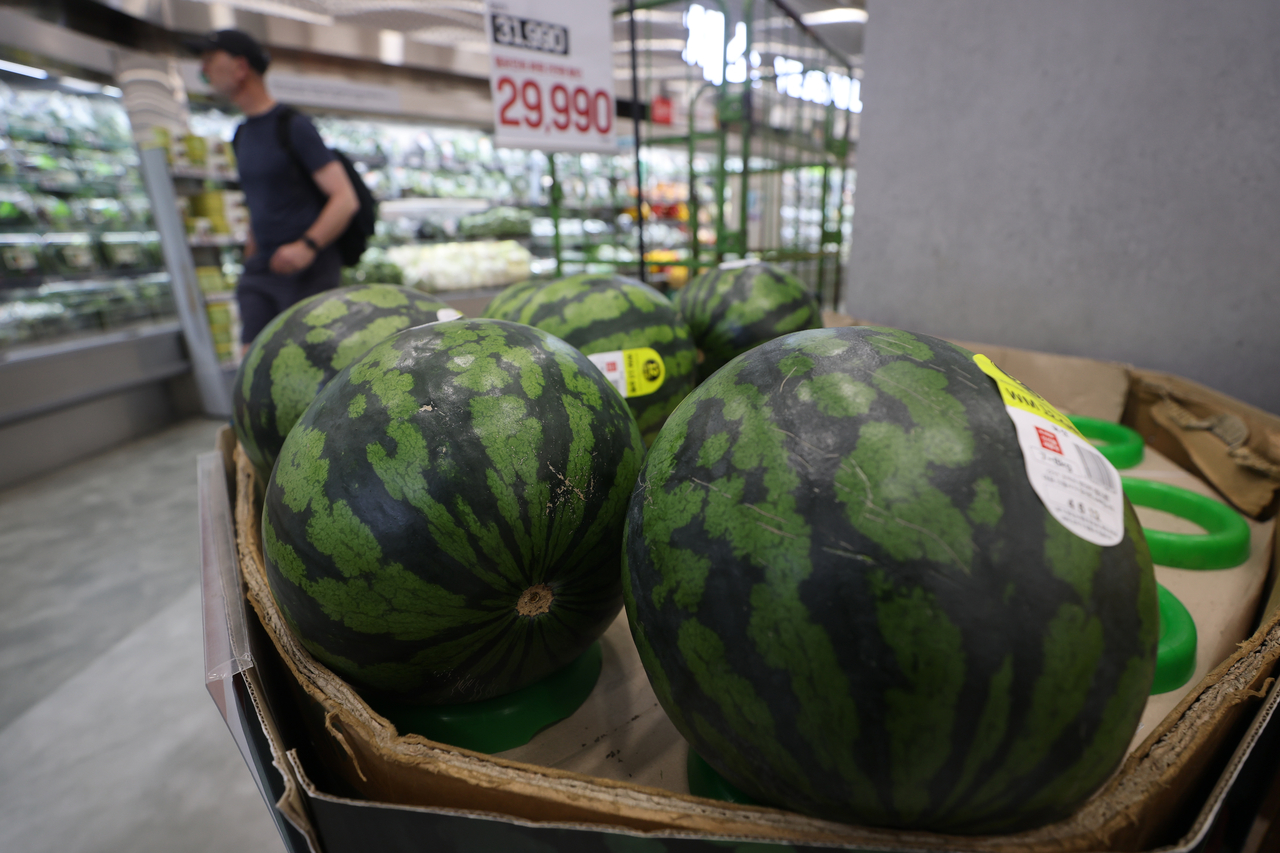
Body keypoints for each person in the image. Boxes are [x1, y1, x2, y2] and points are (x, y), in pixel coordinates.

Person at [182, 29, 359, 351]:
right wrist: (251, 253)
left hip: (308, 272)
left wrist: (307, 245)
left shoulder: (292, 126)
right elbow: (257, 201)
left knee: (308, 368)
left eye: (210, 61)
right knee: (252, 364)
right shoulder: (242, 134)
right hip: (262, 271)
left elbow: (345, 199)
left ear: (240, 67)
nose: (203, 70)